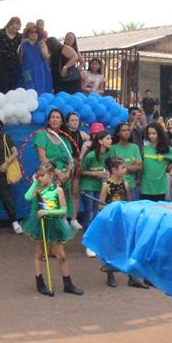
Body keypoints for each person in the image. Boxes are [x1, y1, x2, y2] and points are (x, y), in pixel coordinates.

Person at [22, 163, 82, 297]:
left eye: (42, 175)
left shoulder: (57, 190)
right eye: (38, 175)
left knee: (61, 255)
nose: (39, 178)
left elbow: (64, 210)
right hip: (40, 224)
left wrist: (48, 211)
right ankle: (40, 282)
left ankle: (68, 283)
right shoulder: (37, 188)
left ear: (51, 175)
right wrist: (34, 183)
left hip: (54, 224)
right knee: (39, 253)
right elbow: (27, 197)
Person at [96, 156, 147, 289]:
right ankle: (110, 275)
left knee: (126, 247)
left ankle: (132, 277)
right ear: (114, 170)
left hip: (123, 221)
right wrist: (112, 208)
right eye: (123, 167)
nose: (126, 169)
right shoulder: (106, 186)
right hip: (111, 221)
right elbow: (100, 206)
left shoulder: (125, 184)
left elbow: (129, 204)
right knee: (111, 248)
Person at [33, 109, 77, 226]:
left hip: (64, 178)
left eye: (57, 117)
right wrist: (58, 173)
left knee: (63, 205)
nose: (55, 119)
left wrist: (67, 174)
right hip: (49, 176)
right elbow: (43, 158)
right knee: (50, 206)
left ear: (62, 121)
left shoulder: (65, 139)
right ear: (49, 120)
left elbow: (70, 159)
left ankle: (62, 226)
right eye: (52, 117)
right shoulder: (42, 135)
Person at [78, 126, 111, 256]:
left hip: (100, 186)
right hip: (88, 186)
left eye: (110, 138)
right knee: (89, 213)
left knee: (98, 212)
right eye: (108, 138)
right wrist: (96, 173)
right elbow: (81, 171)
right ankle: (88, 243)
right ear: (100, 141)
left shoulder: (108, 154)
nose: (110, 140)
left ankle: (96, 241)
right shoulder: (91, 155)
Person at [141, 122, 172, 202]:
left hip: (160, 187)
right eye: (149, 133)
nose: (151, 136)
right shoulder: (144, 149)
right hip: (145, 187)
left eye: (154, 133)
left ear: (159, 133)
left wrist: (169, 166)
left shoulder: (166, 149)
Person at [61, 112, 88, 227]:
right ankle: (64, 219)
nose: (75, 122)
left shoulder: (82, 134)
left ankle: (73, 219)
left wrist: (80, 158)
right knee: (65, 193)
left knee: (75, 192)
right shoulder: (62, 135)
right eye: (72, 120)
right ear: (67, 122)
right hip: (65, 167)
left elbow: (93, 142)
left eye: (77, 120)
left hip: (77, 166)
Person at [109, 122, 143, 200]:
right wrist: (132, 166)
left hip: (132, 186)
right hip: (117, 186)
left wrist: (123, 166)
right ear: (118, 133)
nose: (127, 132)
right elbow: (114, 169)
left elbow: (139, 167)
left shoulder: (134, 147)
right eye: (123, 130)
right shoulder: (113, 148)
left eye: (128, 130)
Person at [0, 17, 22, 93]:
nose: (14, 31)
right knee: (3, 87)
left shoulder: (19, 36)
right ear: (8, 25)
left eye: (17, 29)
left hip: (14, 64)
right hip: (2, 63)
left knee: (13, 87)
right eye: (13, 28)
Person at [19, 23, 51, 95]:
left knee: (42, 92)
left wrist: (42, 47)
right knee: (29, 92)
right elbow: (20, 60)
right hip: (27, 72)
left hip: (40, 72)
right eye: (32, 32)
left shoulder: (41, 44)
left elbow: (45, 57)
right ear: (27, 34)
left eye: (36, 32)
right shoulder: (23, 46)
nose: (35, 34)